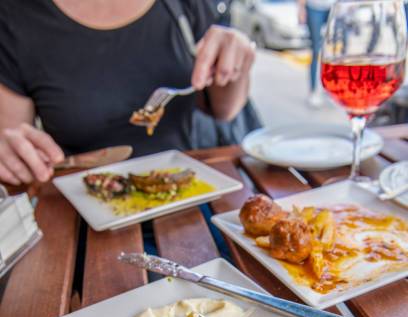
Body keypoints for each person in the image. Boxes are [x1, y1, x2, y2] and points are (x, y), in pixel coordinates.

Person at [0, 0, 256, 185]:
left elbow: (225, 110)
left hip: (194, 190)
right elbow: (15, 148)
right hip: (86, 210)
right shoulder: (13, 17)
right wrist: (15, 155)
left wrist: (235, 66)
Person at [298, 0, 335, 108]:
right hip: (314, 7)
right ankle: (313, 90)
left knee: (331, 51)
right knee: (315, 50)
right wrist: (301, 8)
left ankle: (329, 88)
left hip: (331, 7)